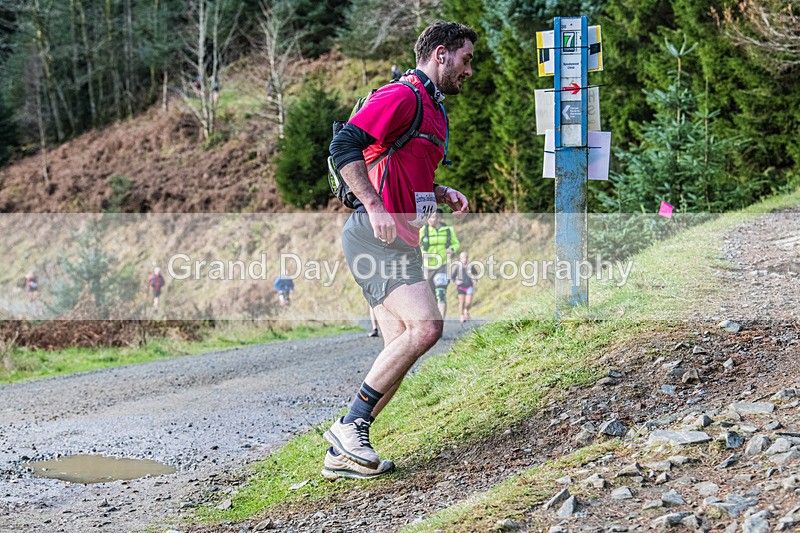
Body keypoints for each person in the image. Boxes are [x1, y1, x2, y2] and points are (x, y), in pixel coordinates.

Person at [325, 20, 477, 480]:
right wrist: (374, 206)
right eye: (466, 59)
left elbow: (401, 167)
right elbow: (344, 145)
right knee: (427, 327)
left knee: (398, 350)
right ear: (441, 54)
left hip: (402, 240)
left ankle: (341, 454)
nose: (469, 70)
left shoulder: (434, 111)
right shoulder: (403, 95)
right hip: (373, 234)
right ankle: (349, 427)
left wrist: (440, 191)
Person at [420, 208, 460, 321]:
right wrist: (422, 253)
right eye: (429, 217)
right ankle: (432, 320)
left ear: (439, 218)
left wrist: (452, 249)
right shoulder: (423, 230)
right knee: (430, 296)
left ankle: (440, 322)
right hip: (427, 266)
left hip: (442, 265)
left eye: (432, 217)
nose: (430, 219)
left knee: (441, 292)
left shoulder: (448, 230)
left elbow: (456, 243)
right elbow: (415, 244)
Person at [451, 251, 477, 324]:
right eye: (462, 258)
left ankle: (466, 310)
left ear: (467, 258)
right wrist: (456, 281)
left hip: (469, 286)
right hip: (461, 287)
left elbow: (476, 274)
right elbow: (453, 277)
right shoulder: (458, 267)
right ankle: (462, 315)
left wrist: (475, 279)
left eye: (465, 257)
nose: (464, 259)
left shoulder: (471, 266)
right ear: (460, 259)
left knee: (469, 302)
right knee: (461, 302)